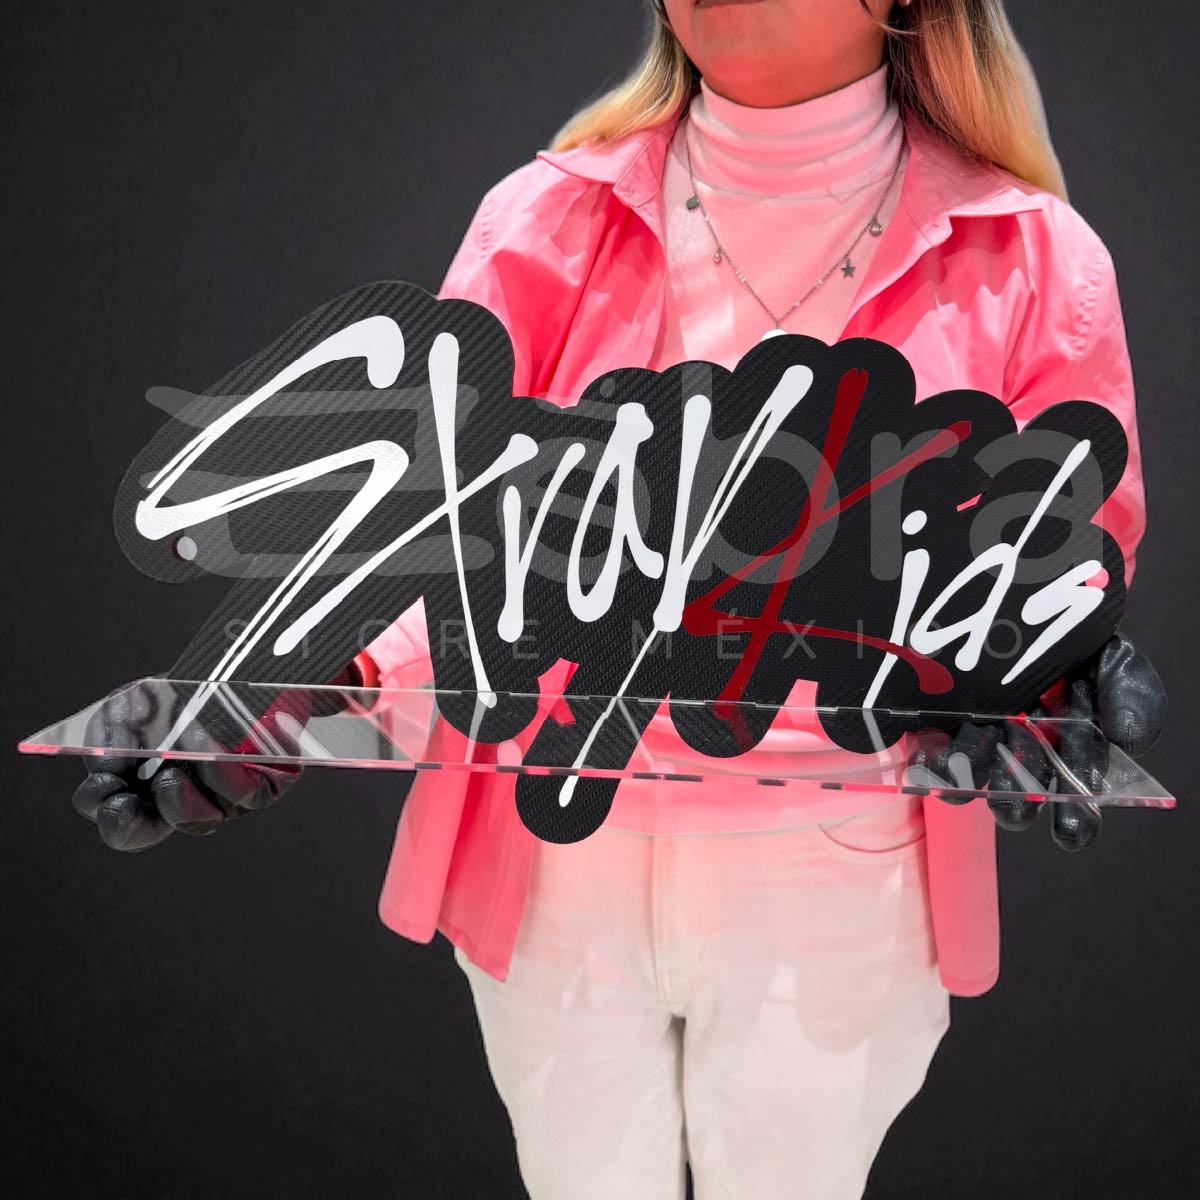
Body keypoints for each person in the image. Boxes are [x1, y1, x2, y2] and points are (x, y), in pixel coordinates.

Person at [73, 1, 1168, 1196]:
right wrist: (315, 678)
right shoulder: (543, 219)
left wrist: (1042, 674)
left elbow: (1068, 545)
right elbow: (442, 531)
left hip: (847, 876)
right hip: (554, 855)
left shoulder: (1036, 261)